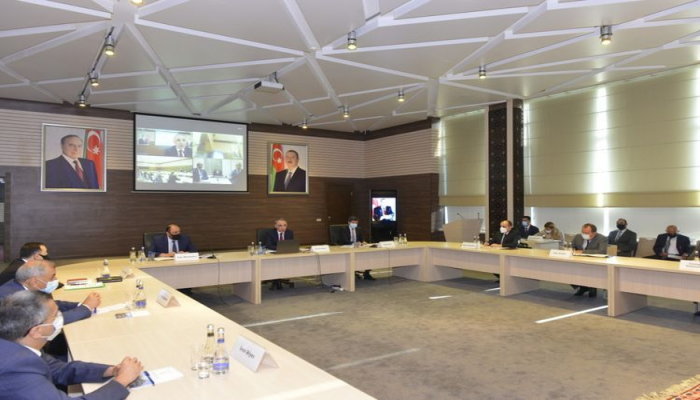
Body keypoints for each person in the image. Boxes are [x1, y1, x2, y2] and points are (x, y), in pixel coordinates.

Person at [0, 291, 143, 400]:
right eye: (56, 316)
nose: (60, 318)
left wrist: (110, 370)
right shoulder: (15, 368)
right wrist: (122, 381)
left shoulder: (17, 343)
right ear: (37, 331)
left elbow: (58, 369)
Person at [0, 261, 100, 324]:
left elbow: (47, 305)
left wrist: (79, 305)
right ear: (34, 281)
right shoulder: (14, 301)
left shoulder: (22, 286)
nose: (56, 279)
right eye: (52, 277)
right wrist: (85, 308)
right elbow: (47, 322)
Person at [571, 223, 608, 298]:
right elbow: (572, 247)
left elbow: (602, 251)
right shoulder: (578, 236)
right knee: (568, 269)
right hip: (579, 261)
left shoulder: (602, 238)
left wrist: (583, 252)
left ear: (594, 233)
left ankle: (592, 287)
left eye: (587, 233)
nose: (584, 234)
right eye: (583, 232)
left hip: (595, 263)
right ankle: (583, 287)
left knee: (590, 270)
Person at [338, 216, 374, 281]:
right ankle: (351, 273)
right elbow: (344, 240)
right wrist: (354, 243)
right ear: (349, 222)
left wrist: (363, 241)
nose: (354, 224)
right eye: (353, 222)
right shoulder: (343, 229)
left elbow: (361, 239)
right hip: (347, 247)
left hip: (357, 247)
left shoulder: (358, 229)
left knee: (368, 255)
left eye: (356, 223)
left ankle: (366, 274)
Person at [265, 218, 295, 290]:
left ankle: (279, 276)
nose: (283, 227)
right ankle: (275, 278)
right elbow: (268, 245)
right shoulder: (270, 233)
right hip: (273, 254)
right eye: (280, 225)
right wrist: (280, 248)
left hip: (285, 254)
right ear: (275, 226)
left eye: (285, 225)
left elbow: (292, 244)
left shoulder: (289, 232)